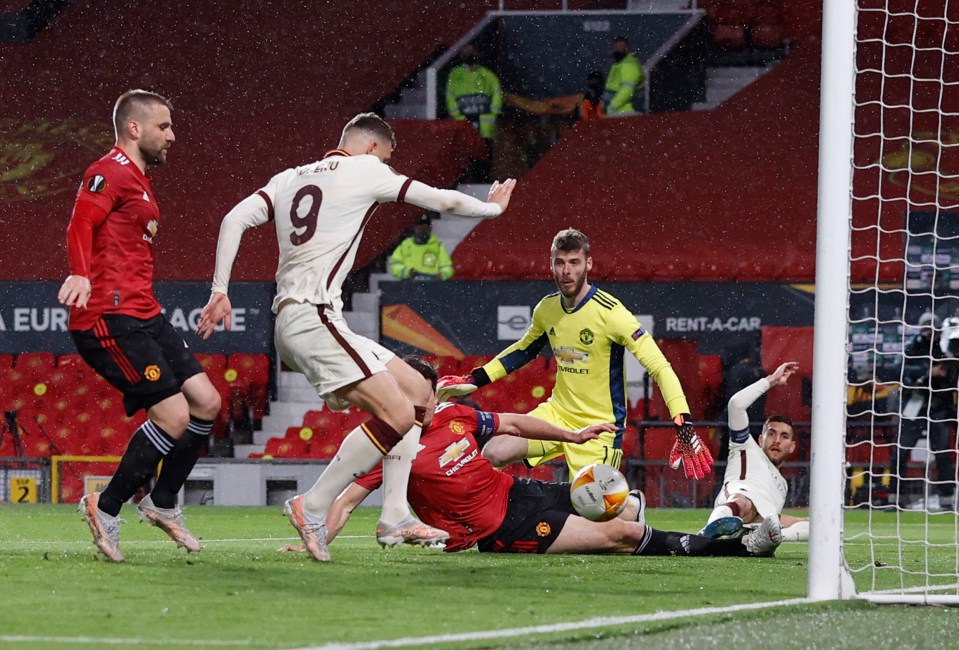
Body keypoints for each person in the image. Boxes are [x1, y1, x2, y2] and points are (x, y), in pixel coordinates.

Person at [196, 112, 516, 562]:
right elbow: (439, 199)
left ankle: (394, 515)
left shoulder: (291, 177)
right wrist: (491, 208)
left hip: (301, 322)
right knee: (401, 414)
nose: (388, 165)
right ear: (371, 148)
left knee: (418, 392)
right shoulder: (366, 170)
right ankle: (313, 505)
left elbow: (233, 219)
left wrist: (220, 290)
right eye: (388, 156)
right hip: (313, 318)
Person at [317, 357, 782, 558]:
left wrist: (571, 433)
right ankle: (737, 546)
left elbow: (516, 423)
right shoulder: (390, 442)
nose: (424, 401)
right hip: (499, 529)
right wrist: (315, 539)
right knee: (621, 532)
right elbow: (346, 501)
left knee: (623, 501)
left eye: (426, 393)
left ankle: (672, 522)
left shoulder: (454, 414)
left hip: (520, 491)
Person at [58, 89, 222, 562]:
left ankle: (164, 501)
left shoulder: (141, 180)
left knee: (208, 402)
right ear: (135, 128)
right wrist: (79, 273)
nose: (172, 135)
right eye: (164, 127)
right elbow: (79, 224)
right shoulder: (107, 171)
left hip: (144, 312)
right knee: (172, 416)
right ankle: (104, 507)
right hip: (108, 316)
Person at [437, 228, 713, 481]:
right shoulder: (547, 309)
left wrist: (683, 423)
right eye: (560, 263)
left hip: (601, 427)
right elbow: (521, 352)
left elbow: (660, 368)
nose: (566, 271)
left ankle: (633, 508)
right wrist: (475, 379)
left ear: (588, 265)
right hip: (556, 414)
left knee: (592, 511)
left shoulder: (612, 314)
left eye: (574, 262)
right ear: (551, 265)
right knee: (494, 452)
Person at [699, 362, 810, 543]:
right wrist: (771, 381)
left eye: (784, 436)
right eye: (771, 434)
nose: (776, 440)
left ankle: (757, 539)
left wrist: (802, 521)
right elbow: (736, 405)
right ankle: (708, 534)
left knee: (813, 527)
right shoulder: (744, 445)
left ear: (792, 447)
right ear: (760, 440)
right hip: (736, 505)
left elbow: (773, 516)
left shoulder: (783, 485)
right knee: (743, 503)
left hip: (756, 528)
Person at [891, 312, 958, 512]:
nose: (929, 334)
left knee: (943, 454)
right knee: (901, 452)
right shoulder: (913, 346)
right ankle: (896, 498)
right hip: (915, 402)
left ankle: (946, 498)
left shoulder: (946, 346)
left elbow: (951, 370)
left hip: (937, 405)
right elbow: (899, 370)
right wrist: (927, 371)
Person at [445, 43, 503, 182]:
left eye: (472, 52)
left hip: (484, 127)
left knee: (484, 157)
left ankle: (482, 181)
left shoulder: (487, 75)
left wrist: (492, 113)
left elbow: (498, 94)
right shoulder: (455, 75)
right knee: (465, 157)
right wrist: (459, 117)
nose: (469, 56)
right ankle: (468, 181)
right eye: (466, 53)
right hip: (464, 125)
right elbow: (450, 97)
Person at [387, 212, 454, 281]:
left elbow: (447, 267)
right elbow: (394, 266)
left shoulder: (438, 245)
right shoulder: (405, 245)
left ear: (430, 228)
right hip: (408, 286)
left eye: (425, 226)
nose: (422, 229)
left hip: (432, 286)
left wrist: (441, 275)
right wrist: (408, 272)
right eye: (420, 226)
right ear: (414, 228)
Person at [603, 36, 646, 116]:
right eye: (615, 47)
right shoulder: (618, 65)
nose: (617, 50)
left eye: (620, 46)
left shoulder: (629, 64)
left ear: (627, 48)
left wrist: (612, 106)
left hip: (627, 111)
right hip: (618, 112)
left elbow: (627, 90)